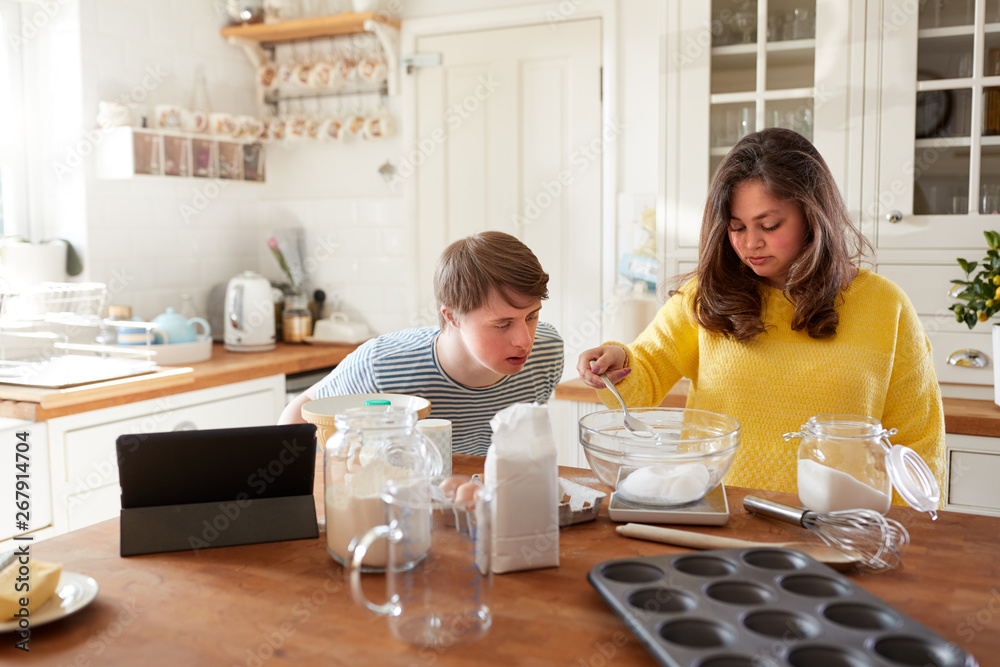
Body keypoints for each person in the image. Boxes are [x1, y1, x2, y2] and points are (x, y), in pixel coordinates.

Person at [577, 128, 946, 499]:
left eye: (769, 225)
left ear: (812, 215)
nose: (750, 243)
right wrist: (618, 362)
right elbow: (647, 370)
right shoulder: (706, 296)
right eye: (736, 227)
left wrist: (901, 531)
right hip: (717, 518)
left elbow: (917, 442)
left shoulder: (886, 306)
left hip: (839, 527)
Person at [280, 231, 565, 456]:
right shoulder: (381, 366)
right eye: (502, 324)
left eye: (531, 317)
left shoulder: (547, 351)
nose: (524, 341)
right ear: (452, 316)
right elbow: (300, 412)